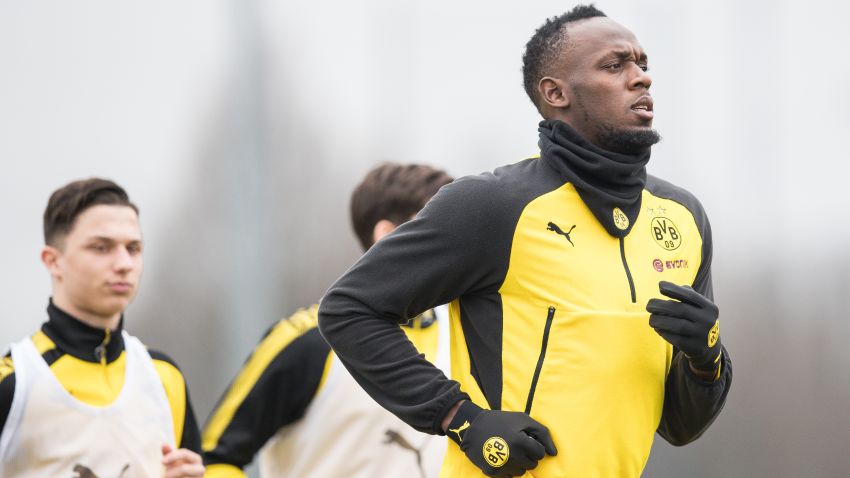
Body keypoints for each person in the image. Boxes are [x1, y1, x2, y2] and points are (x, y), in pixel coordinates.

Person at [318, 5, 732, 477]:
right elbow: (350, 309)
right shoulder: (493, 205)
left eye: (642, 64)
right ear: (555, 92)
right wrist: (461, 419)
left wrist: (706, 359)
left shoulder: (683, 218)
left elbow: (681, 427)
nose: (640, 79)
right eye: (614, 65)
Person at [201, 163, 454, 478]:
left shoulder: (465, 334)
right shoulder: (306, 340)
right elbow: (213, 460)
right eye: (439, 230)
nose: (457, 248)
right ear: (388, 236)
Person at [0, 178, 204, 477]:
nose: (123, 263)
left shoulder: (163, 376)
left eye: (133, 248)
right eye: (101, 247)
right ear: (53, 261)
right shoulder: (15, 383)